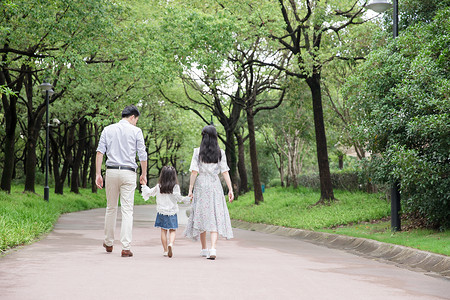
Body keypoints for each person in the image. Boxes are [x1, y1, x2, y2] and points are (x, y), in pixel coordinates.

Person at [95, 105, 147, 257]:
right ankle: (125, 247)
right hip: (128, 173)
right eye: (136, 120)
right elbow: (142, 154)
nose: (136, 123)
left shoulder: (107, 129)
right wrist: (143, 173)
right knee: (127, 210)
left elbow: (100, 152)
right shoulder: (136, 131)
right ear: (132, 117)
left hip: (111, 171)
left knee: (111, 208)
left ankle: (109, 243)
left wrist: (98, 173)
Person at [184, 125, 234, 260]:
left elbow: (194, 172)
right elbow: (225, 172)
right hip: (214, 186)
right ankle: (213, 248)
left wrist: (190, 189)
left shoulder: (197, 152)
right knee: (214, 216)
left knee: (202, 216)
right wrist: (230, 189)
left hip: (201, 186)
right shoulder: (220, 153)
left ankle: (204, 249)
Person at [141, 166, 190, 258]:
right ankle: (171, 244)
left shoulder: (159, 186)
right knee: (172, 230)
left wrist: (144, 185)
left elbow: (149, 192)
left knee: (163, 231)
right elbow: (179, 198)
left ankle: (165, 250)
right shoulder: (175, 187)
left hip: (161, 211)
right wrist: (187, 199)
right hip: (172, 212)